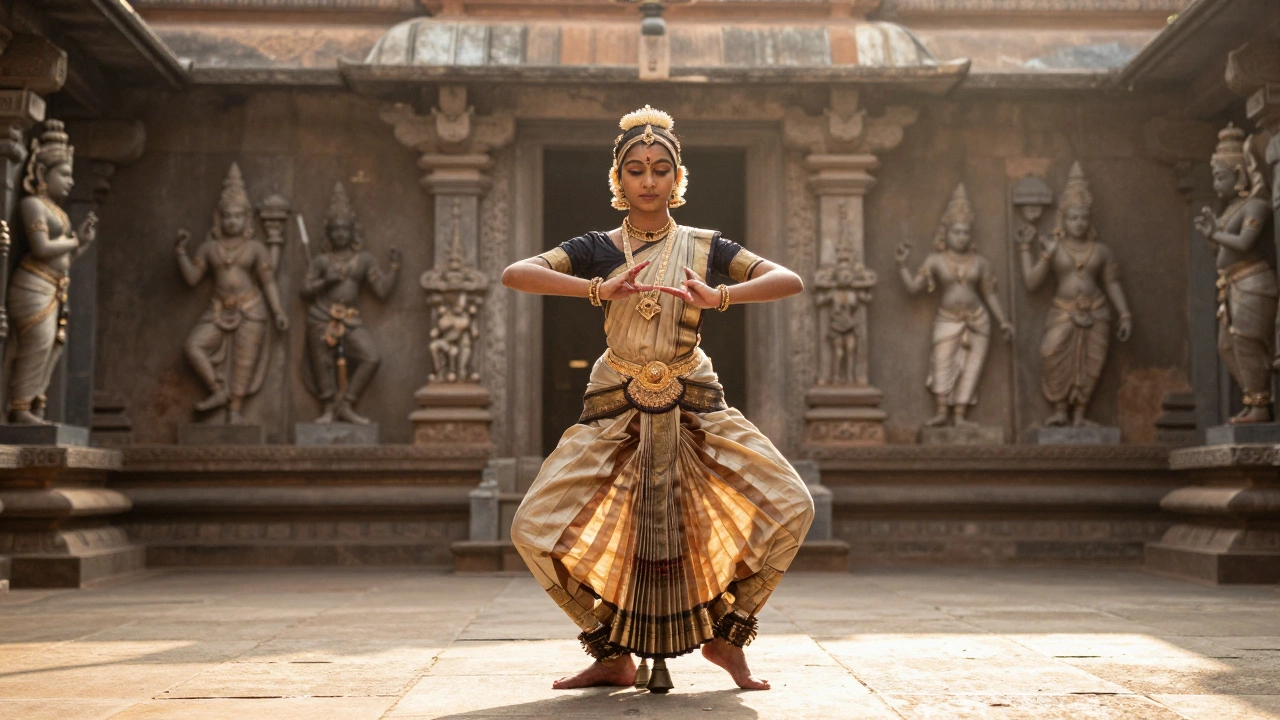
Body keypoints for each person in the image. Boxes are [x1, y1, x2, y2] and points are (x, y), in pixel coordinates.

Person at [502, 106, 814, 692]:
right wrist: (596, 287)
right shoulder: (597, 246)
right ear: (618, 180)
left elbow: (788, 280)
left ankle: (729, 634)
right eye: (637, 169)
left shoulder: (706, 245)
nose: (649, 180)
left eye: (661, 169)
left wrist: (721, 295)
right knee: (532, 525)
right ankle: (610, 648)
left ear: (678, 178)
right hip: (615, 401)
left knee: (793, 504)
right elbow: (516, 273)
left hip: (693, 395)